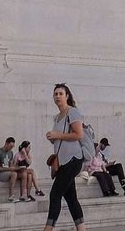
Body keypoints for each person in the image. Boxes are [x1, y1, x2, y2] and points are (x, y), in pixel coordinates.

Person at [43, 83, 89, 231]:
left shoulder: (73, 112)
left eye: (60, 94)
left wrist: (57, 135)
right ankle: (81, 228)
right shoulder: (57, 117)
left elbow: (78, 134)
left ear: (67, 96)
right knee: (71, 198)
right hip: (63, 162)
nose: (57, 96)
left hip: (73, 160)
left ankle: (48, 229)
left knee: (55, 194)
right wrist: (54, 138)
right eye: (55, 94)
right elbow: (63, 137)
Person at [0, 138, 23, 203]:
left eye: (12, 147)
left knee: (25, 174)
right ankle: (11, 196)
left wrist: (17, 167)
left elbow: (11, 165)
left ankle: (23, 195)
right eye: (10, 146)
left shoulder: (10, 153)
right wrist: (10, 169)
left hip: (8, 172)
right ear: (6, 143)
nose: (11, 148)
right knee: (14, 174)